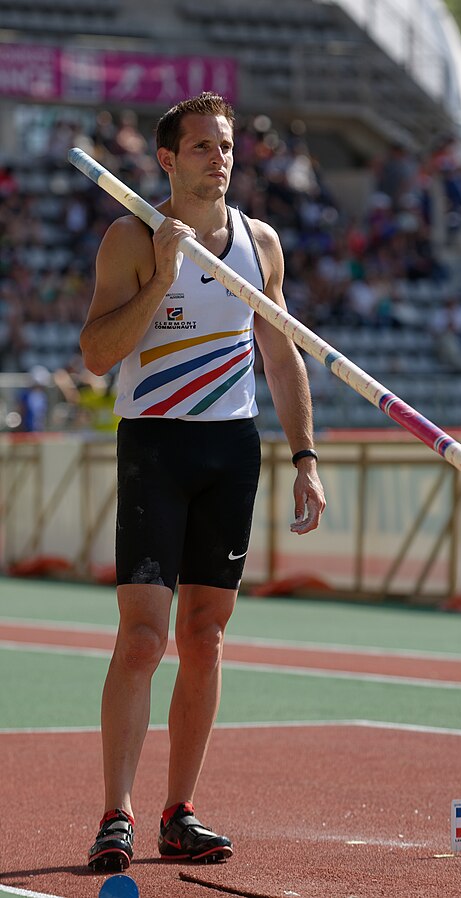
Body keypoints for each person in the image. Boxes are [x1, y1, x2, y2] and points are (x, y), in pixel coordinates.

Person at [80, 93, 326, 873]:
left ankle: (177, 810)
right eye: (200, 147)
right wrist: (166, 272)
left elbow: (282, 356)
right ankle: (115, 812)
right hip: (155, 444)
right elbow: (96, 351)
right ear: (167, 160)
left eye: (224, 147)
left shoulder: (260, 243)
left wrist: (305, 458)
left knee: (206, 638)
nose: (217, 158)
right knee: (145, 636)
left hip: (231, 449)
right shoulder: (131, 237)